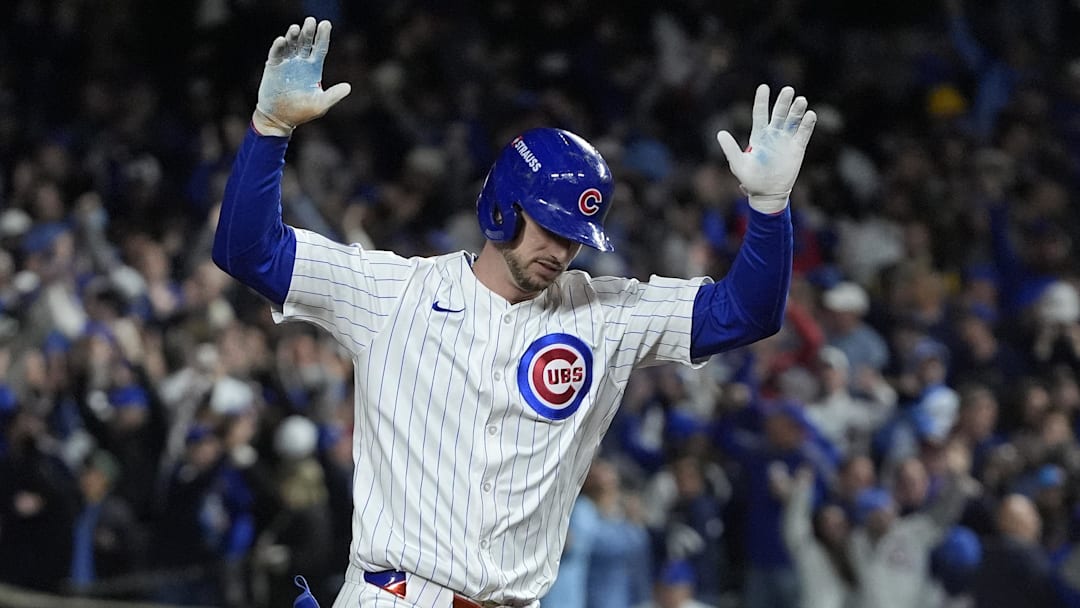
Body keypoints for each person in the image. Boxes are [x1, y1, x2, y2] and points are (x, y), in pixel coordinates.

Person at [212, 16, 816, 608]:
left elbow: (747, 314)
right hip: (396, 595)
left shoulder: (605, 316)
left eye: (574, 235)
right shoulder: (392, 291)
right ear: (503, 207)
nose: (560, 248)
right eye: (549, 226)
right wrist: (269, 131)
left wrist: (768, 208)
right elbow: (247, 251)